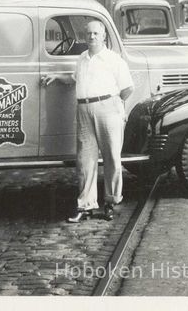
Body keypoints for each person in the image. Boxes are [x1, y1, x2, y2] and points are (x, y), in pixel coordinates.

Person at [41, 19, 135, 223]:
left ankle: (111, 202)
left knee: (111, 157)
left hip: (107, 108)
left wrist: (116, 105)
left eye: (95, 34)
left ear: (103, 36)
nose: (91, 37)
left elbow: (127, 88)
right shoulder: (82, 58)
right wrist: (57, 76)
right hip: (83, 110)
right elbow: (75, 79)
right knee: (85, 160)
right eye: (88, 34)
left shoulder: (113, 59)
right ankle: (86, 205)